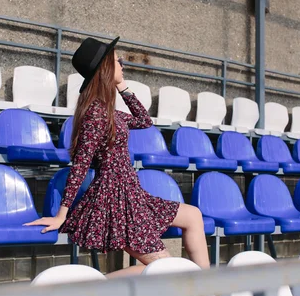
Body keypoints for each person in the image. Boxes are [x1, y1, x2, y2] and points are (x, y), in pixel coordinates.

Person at [24, 36, 210, 277]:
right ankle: (91, 290)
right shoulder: (95, 115)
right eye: (117, 61)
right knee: (166, 270)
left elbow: (144, 121)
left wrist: (122, 86)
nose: (122, 64)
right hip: (115, 200)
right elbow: (80, 165)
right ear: (104, 69)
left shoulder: (109, 112)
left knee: (193, 215)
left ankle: (209, 288)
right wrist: (62, 214)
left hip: (131, 194)